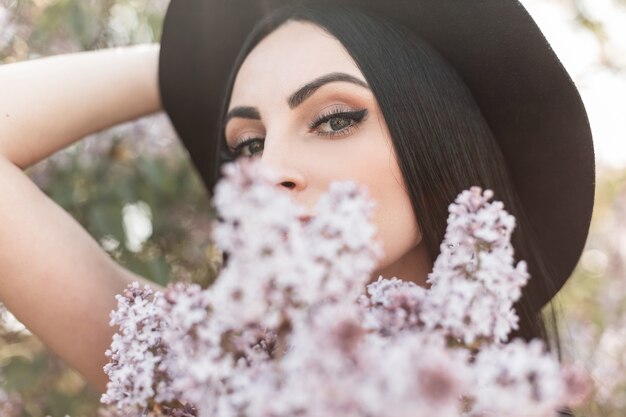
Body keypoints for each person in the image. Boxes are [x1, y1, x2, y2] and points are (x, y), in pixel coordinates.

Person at [0, 0, 594, 407]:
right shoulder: (200, 373)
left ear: (438, 136)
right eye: (248, 144)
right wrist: (175, 70)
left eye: (334, 119)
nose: (269, 172)